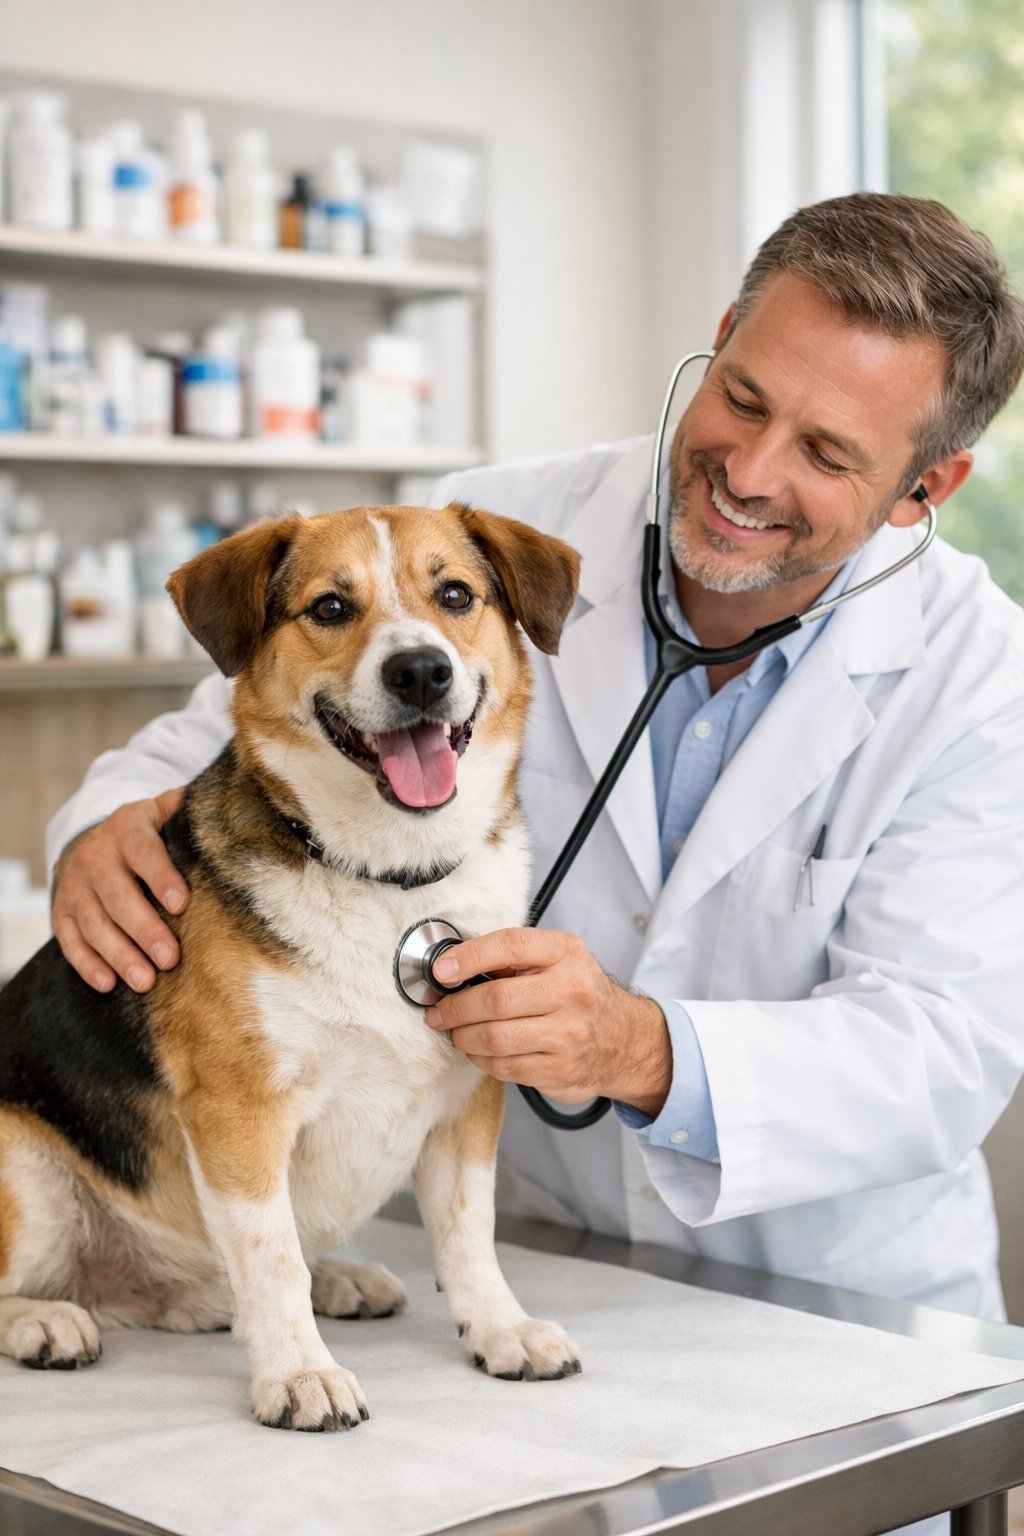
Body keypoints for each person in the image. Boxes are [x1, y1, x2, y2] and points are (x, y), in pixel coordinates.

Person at [47, 192, 1024, 1329]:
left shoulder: (979, 681)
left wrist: (641, 1048)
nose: (748, 471)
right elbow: (221, 732)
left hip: (828, 1296)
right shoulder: (495, 533)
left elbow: (939, 1055)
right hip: (531, 1265)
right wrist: (98, 832)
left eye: (824, 452)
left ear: (925, 488)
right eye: (740, 397)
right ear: (716, 343)